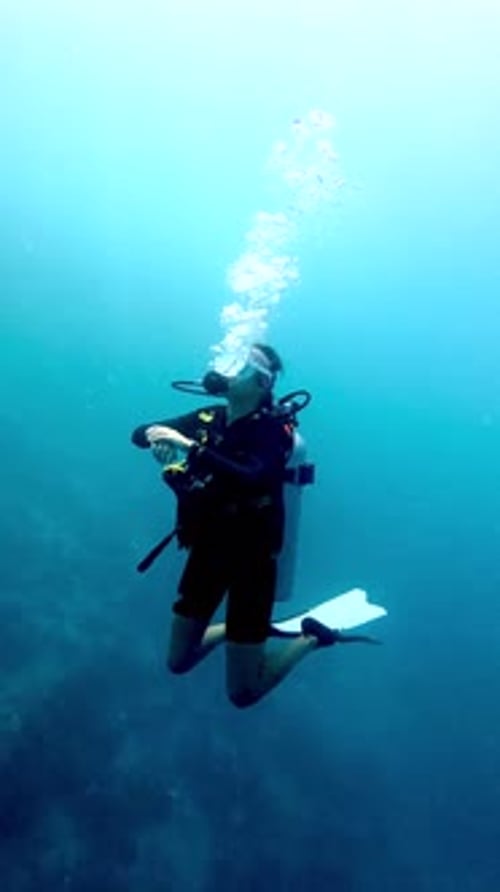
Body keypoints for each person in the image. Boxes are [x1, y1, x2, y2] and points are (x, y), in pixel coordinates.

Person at [132, 343, 347, 709]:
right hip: (207, 551)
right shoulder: (209, 418)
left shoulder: (273, 431)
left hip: (253, 562)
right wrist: (157, 438)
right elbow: (139, 434)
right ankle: (239, 632)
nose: (228, 370)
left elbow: (253, 475)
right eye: (228, 360)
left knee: (243, 694)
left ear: (263, 383)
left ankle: (312, 638)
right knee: (178, 661)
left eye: (242, 365)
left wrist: (190, 448)